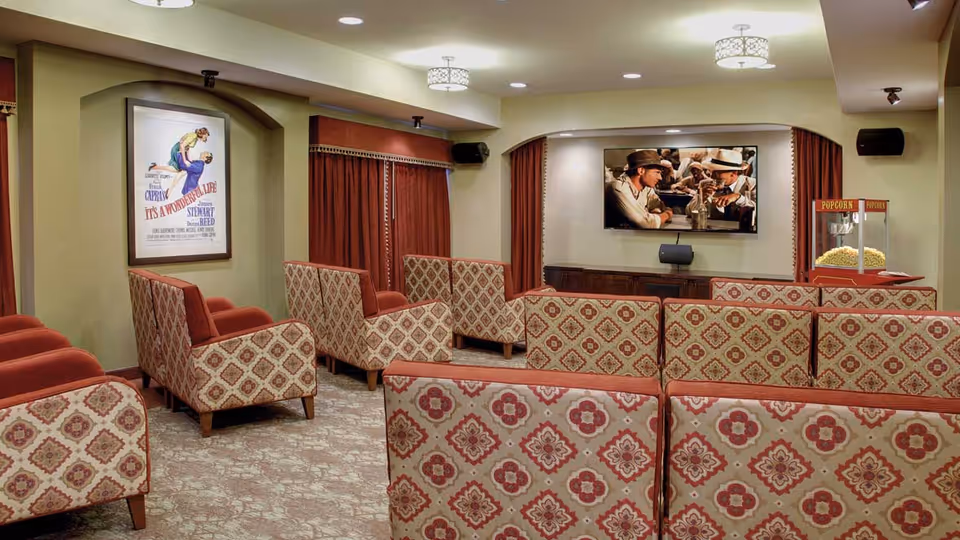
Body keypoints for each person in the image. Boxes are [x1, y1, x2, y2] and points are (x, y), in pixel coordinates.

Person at [604, 150, 673, 229]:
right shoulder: (618, 187)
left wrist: (655, 212)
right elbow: (646, 224)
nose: (660, 178)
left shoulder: (646, 188)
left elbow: (659, 206)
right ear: (641, 171)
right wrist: (667, 214)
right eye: (657, 172)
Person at [685, 148, 756, 221]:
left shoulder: (752, 184)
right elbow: (688, 212)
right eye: (711, 171)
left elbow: (761, 212)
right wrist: (701, 199)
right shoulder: (705, 184)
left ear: (734, 173)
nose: (711, 176)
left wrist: (738, 197)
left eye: (717, 172)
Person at [149, 127, 211, 199]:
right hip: (178, 151)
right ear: (202, 134)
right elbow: (182, 145)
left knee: (178, 170)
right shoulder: (193, 136)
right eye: (205, 136)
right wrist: (185, 160)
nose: (205, 139)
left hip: (180, 151)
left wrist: (189, 159)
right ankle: (169, 191)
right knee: (182, 171)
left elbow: (186, 146)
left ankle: (155, 167)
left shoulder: (194, 137)